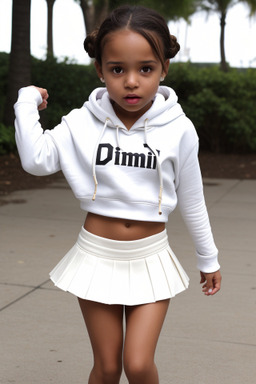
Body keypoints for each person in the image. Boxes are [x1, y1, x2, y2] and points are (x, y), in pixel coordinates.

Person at [14, 5, 222, 384]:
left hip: (151, 257)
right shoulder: (81, 122)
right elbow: (36, 160)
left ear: (164, 69)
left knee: (139, 365)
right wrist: (26, 103)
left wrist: (209, 258)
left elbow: (192, 197)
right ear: (100, 70)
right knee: (107, 368)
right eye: (117, 69)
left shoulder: (179, 129)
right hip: (96, 255)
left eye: (145, 69)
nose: (131, 81)